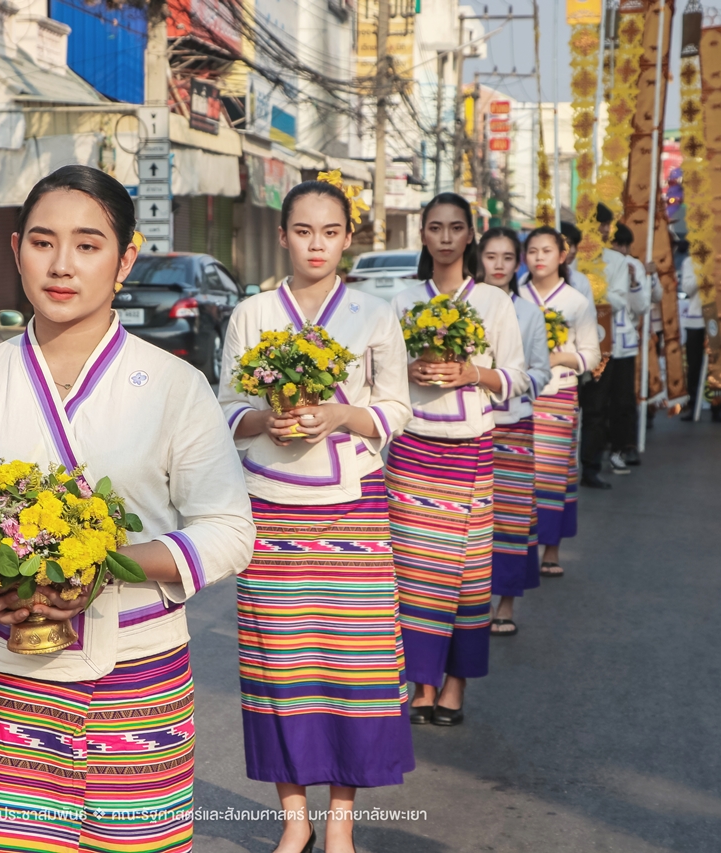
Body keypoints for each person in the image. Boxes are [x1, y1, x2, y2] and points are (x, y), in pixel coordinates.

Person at [0, 165, 255, 853]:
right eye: (42, 242)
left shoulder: (176, 386)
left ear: (124, 259)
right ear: (16, 250)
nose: (62, 265)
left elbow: (231, 530)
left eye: (88, 245)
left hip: (138, 683)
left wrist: (108, 565)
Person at [221, 178, 413, 853]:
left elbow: (395, 408)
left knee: (352, 667)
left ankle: (340, 824)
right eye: (304, 231)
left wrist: (340, 415)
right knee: (280, 667)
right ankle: (293, 817)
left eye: (330, 232)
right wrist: (262, 419)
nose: (316, 244)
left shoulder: (372, 313)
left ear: (347, 239)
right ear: (283, 235)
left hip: (353, 510)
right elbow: (225, 410)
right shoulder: (251, 314)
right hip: (270, 510)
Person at [387, 193, 528, 726]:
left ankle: (454, 684)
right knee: (411, 573)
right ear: (422, 235)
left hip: (469, 453)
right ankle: (419, 683)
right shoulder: (402, 301)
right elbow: (378, 381)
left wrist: (473, 374)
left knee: (466, 576)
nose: (445, 237)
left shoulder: (494, 303)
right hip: (412, 450)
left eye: (455, 228)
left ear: (471, 235)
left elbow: (518, 378)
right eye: (435, 228)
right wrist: (411, 373)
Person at [478, 227, 552, 637]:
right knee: (471, 521)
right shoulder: (459, 309)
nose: (500, 265)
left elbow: (540, 369)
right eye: (492, 256)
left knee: (510, 517)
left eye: (508, 257)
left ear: (518, 261)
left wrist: (517, 387)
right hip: (468, 427)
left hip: (514, 426)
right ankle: (465, 603)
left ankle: (505, 604)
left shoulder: (528, 314)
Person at [520, 226, 602, 569]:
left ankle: (551, 548)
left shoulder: (576, 301)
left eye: (546, 251)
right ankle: (520, 547)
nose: (539, 258)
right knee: (522, 476)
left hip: (559, 394)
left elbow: (591, 357)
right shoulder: (515, 296)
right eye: (533, 251)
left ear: (562, 256)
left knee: (552, 474)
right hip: (518, 396)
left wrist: (557, 358)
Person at [581, 222, 649, 484]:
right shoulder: (582, 261)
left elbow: (638, 305)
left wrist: (633, 283)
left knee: (622, 401)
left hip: (622, 343)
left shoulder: (626, 264)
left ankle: (621, 449)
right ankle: (590, 458)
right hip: (594, 343)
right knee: (595, 404)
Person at [679, 243, 721, 424]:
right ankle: (693, 405)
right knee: (694, 365)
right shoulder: (689, 262)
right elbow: (687, 288)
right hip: (695, 318)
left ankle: (718, 407)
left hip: (716, 317)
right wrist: (703, 273)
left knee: (717, 365)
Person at [560, 221, 594, 300]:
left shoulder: (580, 280)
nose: (573, 250)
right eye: (568, 244)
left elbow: (589, 312)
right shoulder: (529, 279)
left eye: (575, 245)